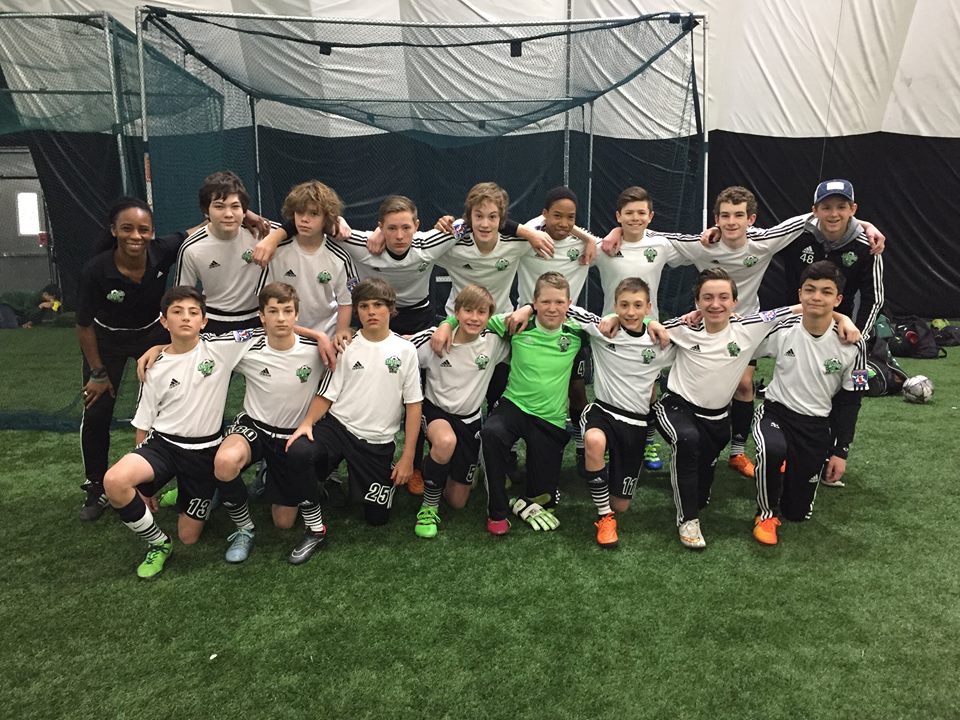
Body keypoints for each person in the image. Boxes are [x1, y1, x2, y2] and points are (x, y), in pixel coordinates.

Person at [102, 287, 256, 578]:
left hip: (203, 452)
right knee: (114, 481)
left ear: (204, 321)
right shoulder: (153, 366)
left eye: (193, 312)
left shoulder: (221, 348)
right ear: (164, 321)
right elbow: (144, 423)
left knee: (189, 536)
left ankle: (195, 491)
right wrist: (145, 487)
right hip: (163, 446)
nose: (186, 317)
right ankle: (159, 543)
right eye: (177, 312)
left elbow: (269, 327)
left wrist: (322, 336)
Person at [511, 277, 674, 547]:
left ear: (648, 308)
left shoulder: (660, 341)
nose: (630, 312)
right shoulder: (603, 330)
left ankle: (609, 494)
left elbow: (694, 335)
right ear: (614, 306)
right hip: (603, 411)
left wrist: (653, 324)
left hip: (636, 422)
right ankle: (604, 516)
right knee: (594, 441)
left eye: (637, 305)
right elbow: (564, 308)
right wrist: (528, 308)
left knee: (622, 505)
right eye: (624, 305)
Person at [284, 278, 422, 561]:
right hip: (338, 427)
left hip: (376, 440)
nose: (371, 311)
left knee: (377, 518)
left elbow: (413, 405)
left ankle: (360, 477)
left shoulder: (406, 350)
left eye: (378, 305)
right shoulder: (346, 345)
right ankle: (315, 527)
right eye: (364, 306)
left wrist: (408, 457)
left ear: (390, 308)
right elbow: (327, 394)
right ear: (356, 310)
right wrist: (307, 423)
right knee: (299, 451)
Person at [444, 271, 586, 535]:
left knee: (544, 499)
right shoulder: (517, 323)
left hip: (550, 417)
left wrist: (649, 322)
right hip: (514, 406)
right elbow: (475, 318)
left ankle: (521, 501)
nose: (552, 308)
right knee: (491, 433)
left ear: (569, 303)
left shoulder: (578, 330)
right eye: (545, 302)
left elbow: (613, 323)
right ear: (535, 302)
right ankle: (497, 511)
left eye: (559, 302)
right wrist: (446, 324)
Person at [75, 199, 191, 521]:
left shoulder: (161, 251)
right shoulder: (96, 270)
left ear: (152, 232)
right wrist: (97, 373)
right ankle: (96, 487)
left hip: (151, 336)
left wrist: (249, 216)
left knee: (163, 408)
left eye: (143, 229)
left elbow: (200, 228)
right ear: (114, 231)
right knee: (97, 410)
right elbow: (83, 325)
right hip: (106, 340)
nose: (136, 236)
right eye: (127, 228)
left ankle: (152, 483)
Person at [751, 261, 866, 544]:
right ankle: (765, 514)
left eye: (826, 292)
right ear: (799, 294)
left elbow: (851, 400)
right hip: (776, 412)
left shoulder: (854, 344)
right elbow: (746, 331)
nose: (816, 297)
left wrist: (841, 451)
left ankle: (786, 471)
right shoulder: (784, 329)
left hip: (815, 426)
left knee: (797, 513)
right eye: (810, 290)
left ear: (838, 299)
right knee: (771, 449)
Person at [211, 282, 327, 563]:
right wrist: (159, 347)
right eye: (273, 311)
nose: (281, 318)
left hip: (291, 437)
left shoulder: (317, 350)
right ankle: (244, 529)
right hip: (255, 427)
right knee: (225, 462)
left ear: (297, 314)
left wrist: (321, 335)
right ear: (261, 316)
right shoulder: (246, 345)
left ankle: (268, 474)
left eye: (287, 311)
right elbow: (199, 343)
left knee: (283, 522)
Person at [408, 284, 510, 538]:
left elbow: (525, 323)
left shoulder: (494, 342)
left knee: (457, 501)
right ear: (456, 312)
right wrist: (445, 325)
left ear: (490, 316)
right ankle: (429, 506)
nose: (474, 318)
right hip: (437, 413)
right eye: (468, 310)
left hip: (470, 421)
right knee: (445, 441)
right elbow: (399, 348)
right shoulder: (435, 338)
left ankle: (436, 466)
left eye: (481, 312)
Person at [259, 180, 357, 346]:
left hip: (327, 338)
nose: (304, 219)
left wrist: (340, 332)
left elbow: (346, 302)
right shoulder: (277, 253)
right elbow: (264, 299)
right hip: (285, 337)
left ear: (327, 218)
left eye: (313, 214)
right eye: (300, 212)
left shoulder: (340, 257)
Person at [782, 179, 884, 337]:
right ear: (815, 211)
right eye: (826, 207)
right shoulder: (795, 236)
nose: (834, 214)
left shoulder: (868, 246)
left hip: (840, 330)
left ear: (853, 209)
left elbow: (873, 299)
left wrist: (860, 337)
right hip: (794, 327)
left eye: (841, 207)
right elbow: (762, 242)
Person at [174, 170, 268, 334]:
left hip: (259, 320)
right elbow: (182, 299)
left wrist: (275, 237)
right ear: (206, 211)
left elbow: (297, 229)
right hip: (213, 323)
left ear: (245, 211)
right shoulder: (191, 248)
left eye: (235, 206)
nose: (228, 214)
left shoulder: (263, 233)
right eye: (219, 206)